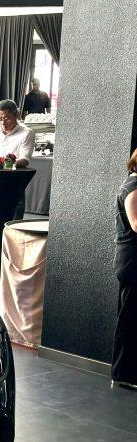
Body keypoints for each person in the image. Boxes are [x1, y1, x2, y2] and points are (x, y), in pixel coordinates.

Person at [0, 100, 36, 219]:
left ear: (16, 115)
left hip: (14, 180)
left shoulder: (26, 133)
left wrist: (1, 164)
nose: (2, 122)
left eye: (6, 118)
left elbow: (25, 160)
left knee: (14, 220)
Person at [113, 148, 137, 391]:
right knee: (129, 319)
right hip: (132, 260)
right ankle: (124, 374)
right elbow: (136, 223)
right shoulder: (133, 187)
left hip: (131, 258)